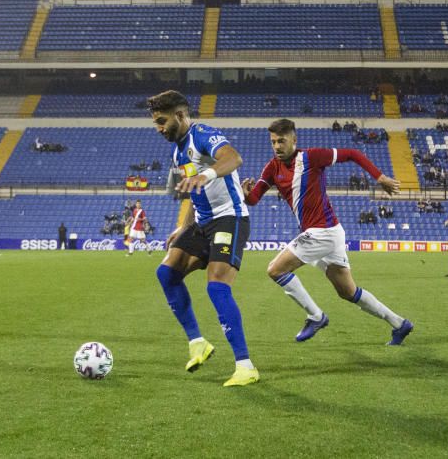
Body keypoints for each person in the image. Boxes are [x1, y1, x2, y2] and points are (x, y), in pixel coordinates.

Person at [241, 119, 414, 345]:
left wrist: (379, 177)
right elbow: (254, 199)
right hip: (329, 233)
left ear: (294, 139)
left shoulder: (312, 157)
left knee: (275, 270)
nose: (277, 146)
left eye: (281, 141)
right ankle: (400, 324)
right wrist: (246, 194)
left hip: (323, 231)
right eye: (273, 142)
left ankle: (316, 316)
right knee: (348, 292)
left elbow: (352, 153)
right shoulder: (272, 168)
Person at [148, 90, 258, 387]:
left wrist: (206, 175)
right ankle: (198, 342)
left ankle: (245, 366)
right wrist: (180, 227)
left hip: (230, 218)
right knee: (167, 273)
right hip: (201, 223)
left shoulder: (202, 134)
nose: (159, 128)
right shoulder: (177, 151)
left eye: (162, 121)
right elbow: (193, 194)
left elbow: (233, 158)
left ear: (180, 116)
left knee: (217, 287)